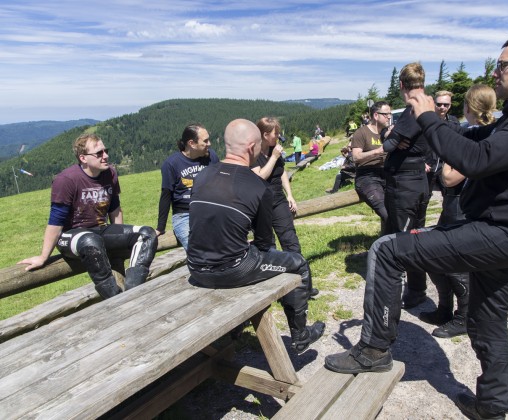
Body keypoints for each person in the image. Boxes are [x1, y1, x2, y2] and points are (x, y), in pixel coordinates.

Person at [325, 31, 508, 420]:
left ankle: (373, 350)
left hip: (499, 231)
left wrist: (428, 116)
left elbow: (478, 159)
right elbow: (472, 135)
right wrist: (430, 114)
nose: (497, 72)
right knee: (487, 319)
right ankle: (493, 407)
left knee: (387, 249)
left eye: (504, 65)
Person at [186, 118, 325, 353]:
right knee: (299, 264)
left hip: (196, 269)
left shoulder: (202, 176)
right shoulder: (258, 186)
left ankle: (235, 328)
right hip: (232, 270)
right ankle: (301, 335)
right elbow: (264, 244)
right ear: (252, 147)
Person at [18, 134, 158, 299]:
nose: (105, 156)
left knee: (147, 233)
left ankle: (133, 292)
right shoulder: (66, 180)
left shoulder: (110, 174)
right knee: (91, 242)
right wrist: (43, 257)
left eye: (106, 151)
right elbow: (55, 223)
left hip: (100, 230)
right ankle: (114, 298)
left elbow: (115, 209)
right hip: (71, 235)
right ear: (83, 158)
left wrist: (120, 238)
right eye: (99, 153)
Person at [419, 84, 497, 339]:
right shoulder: (475, 130)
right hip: (453, 206)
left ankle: (463, 316)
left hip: (463, 206)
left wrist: (447, 159)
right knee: (433, 257)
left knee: (454, 263)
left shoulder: (480, 134)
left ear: (468, 106)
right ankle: (444, 308)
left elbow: (450, 177)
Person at [381, 63, 431, 309]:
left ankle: (414, 291)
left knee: (406, 238)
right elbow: (393, 139)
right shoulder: (427, 104)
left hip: (405, 183)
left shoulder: (413, 109)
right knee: (416, 234)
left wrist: (391, 136)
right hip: (417, 181)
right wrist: (392, 136)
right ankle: (416, 288)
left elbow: (390, 143)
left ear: (401, 85)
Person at [252, 117, 319, 297]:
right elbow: (259, 178)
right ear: (265, 135)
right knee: (268, 248)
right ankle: (275, 289)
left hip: (279, 201)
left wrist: (290, 194)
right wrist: (273, 157)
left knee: (291, 242)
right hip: (260, 206)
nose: (279, 136)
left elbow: (282, 173)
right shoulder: (253, 153)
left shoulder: (275, 150)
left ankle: (304, 286)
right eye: (276, 133)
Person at [156, 123, 219, 252]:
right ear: (191, 143)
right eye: (205, 141)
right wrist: (160, 228)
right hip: (184, 215)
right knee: (197, 251)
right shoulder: (171, 164)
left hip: (210, 211)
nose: (209, 143)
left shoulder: (212, 157)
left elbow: (221, 185)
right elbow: (166, 195)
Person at [350, 101, 392, 233]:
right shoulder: (361, 133)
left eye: (390, 114)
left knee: (398, 210)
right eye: (386, 114)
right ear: (376, 115)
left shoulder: (388, 133)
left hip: (387, 173)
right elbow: (356, 157)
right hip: (367, 176)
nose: (389, 117)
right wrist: (377, 151)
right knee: (385, 212)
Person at [426, 90, 460, 195]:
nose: (442, 107)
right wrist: (422, 161)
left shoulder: (454, 121)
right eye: (439, 104)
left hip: (447, 165)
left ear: (450, 106)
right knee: (423, 200)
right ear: (434, 104)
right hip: (429, 165)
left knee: (450, 196)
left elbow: (459, 142)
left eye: (445, 104)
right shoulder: (426, 120)